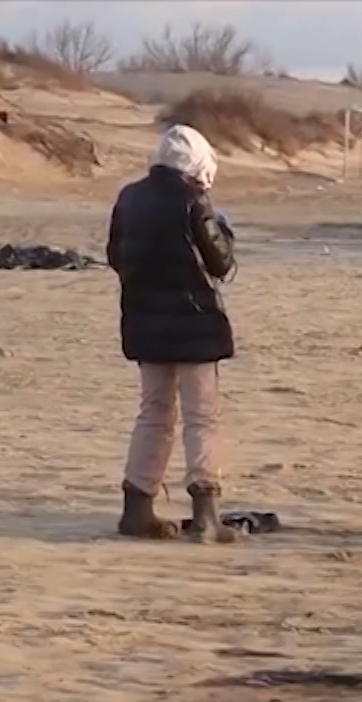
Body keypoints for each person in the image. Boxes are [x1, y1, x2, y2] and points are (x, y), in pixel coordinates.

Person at [107, 123, 239, 543]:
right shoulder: (192, 200)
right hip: (194, 324)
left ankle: (137, 506)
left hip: (144, 320)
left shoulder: (128, 198)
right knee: (202, 416)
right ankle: (206, 514)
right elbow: (219, 262)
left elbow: (115, 256)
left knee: (154, 413)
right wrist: (223, 229)